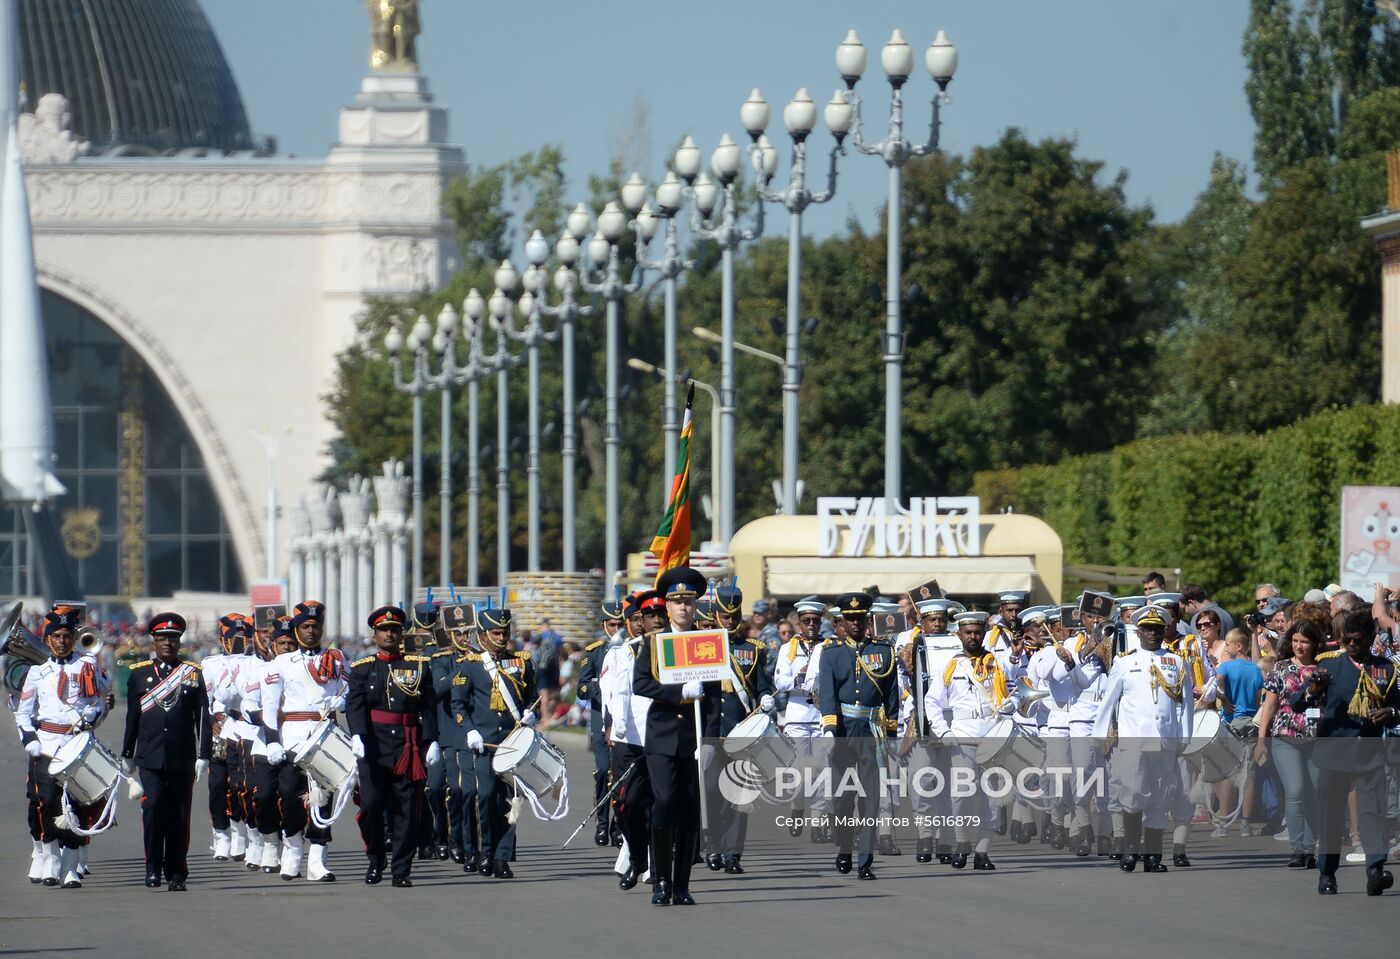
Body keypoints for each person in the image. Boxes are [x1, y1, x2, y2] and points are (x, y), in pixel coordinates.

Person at [631, 567, 722, 906]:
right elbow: (640, 684)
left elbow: (715, 698)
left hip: (694, 739)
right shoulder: (654, 643)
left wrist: (711, 742)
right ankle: (660, 880)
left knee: (689, 812)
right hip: (663, 736)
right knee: (665, 802)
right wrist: (680, 692)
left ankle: (682, 884)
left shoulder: (707, 641)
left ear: (695, 606)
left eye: (688, 602)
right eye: (676, 602)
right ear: (667, 607)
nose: (683, 608)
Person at [1300, 609, 1400, 895]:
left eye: (1358, 640)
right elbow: (1297, 702)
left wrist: (1391, 712)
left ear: (1371, 639)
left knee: (1373, 812)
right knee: (1330, 815)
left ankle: (1376, 870)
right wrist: (1312, 691)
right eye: (1347, 640)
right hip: (1333, 753)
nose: (1351, 645)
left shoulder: (1386, 669)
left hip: (1369, 753)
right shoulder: (1328, 665)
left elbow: (1398, 707)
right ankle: (1327, 873)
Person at [1092, 605, 1194, 873]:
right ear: (1138, 632)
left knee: (1159, 798)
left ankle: (1153, 857)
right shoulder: (1125, 663)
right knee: (1134, 794)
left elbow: (1186, 705)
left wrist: (1185, 737)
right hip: (1134, 740)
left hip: (1165, 739)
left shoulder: (1176, 662)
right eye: (1148, 629)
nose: (1153, 634)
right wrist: (1098, 736)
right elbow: (1108, 703)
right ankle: (1131, 849)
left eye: (1158, 630)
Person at [347, 605, 440, 888]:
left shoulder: (418, 666)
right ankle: (376, 859)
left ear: (401, 634)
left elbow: (429, 707)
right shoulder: (363, 668)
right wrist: (357, 736)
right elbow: (356, 705)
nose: (389, 634)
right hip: (374, 746)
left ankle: (401, 868)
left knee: (407, 811)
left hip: (407, 746)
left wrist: (432, 740)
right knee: (372, 807)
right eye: (384, 630)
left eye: (394, 629)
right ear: (374, 635)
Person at [15, 607, 109, 888]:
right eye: (57, 636)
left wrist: (93, 714)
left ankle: (70, 867)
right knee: (45, 801)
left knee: (77, 806)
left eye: (67, 636)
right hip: (45, 744)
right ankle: (50, 854)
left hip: (77, 744)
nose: (63, 641)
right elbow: (23, 713)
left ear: (73, 637)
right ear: (48, 639)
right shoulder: (37, 672)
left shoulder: (87, 665)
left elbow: (100, 700)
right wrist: (30, 739)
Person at [926, 609, 1025, 870]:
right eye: (968, 632)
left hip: (993, 737)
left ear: (983, 634)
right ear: (959, 634)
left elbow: (1015, 691)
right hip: (963, 737)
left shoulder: (996, 663)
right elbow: (932, 701)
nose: (973, 636)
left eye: (977, 632)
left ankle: (982, 851)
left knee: (992, 799)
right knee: (961, 795)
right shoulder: (950, 667)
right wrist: (943, 731)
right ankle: (961, 842)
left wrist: (1011, 705)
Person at [120, 613, 212, 891]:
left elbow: (203, 717)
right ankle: (152, 868)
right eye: (162, 639)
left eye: (173, 639)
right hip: (149, 756)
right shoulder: (139, 673)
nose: (168, 644)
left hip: (182, 757)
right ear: (154, 641)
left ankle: (177, 872)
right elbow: (133, 716)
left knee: (179, 815)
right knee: (153, 808)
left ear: (179, 641)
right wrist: (127, 752)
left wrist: (203, 754)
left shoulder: (192, 673)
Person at [259, 600, 346, 882]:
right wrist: (272, 740)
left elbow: (349, 690)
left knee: (324, 797)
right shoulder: (281, 663)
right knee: (290, 794)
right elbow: (270, 707)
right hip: (294, 736)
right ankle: (293, 848)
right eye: (305, 626)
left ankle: (318, 859)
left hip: (325, 734)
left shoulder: (336, 657)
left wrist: (342, 698)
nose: (311, 631)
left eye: (315, 626)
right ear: (296, 629)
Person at [450, 607, 538, 878]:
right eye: (496, 633)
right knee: (486, 798)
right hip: (485, 743)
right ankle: (484, 852)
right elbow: (458, 702)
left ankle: (501, 858)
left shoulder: (521, 661)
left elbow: (532, 695)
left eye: (505, 632)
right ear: (482, 635)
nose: (502, 637)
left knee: (511, 802)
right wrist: (470, 731)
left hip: (513, 742)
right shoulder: (471, 664)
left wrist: (531, 714)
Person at [818, 592, 898, 880]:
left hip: (871, 731)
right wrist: (829, 727)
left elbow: (891, 695)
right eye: (850, 619)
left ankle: (865, 860)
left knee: (870, 798)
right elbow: (827, 693)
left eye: (860, 619)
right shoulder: (831, 653)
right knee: (843, 796)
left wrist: (891, 733)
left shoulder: (883, 651)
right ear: (842, 621)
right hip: (842, 730)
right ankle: (843, 847)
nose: (855, 624)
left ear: (867, 620)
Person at [707, 583, 774, 874]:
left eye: (733, 617)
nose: (729, 621)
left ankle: (733, 854)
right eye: (725, 616)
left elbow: (760, 686)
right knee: (711, 792)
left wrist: (766, 697)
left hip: (741, 731)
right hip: (711, 730)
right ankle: (713, 846)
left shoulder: (753, 649)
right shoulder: (702, 646)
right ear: (717, 615)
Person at [896, 596, 963, 863]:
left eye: (941, 619)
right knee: (921, 780)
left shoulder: (956, 643)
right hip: (920, 719)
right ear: (921, 622)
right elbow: (900, 684)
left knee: (947, 784)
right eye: (931, 619)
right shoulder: (910, 644)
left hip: (949, 720)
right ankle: (925, 834)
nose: (937, 624)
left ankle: (945, 839)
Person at [1253, 620, 1323, 868]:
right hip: (1285, 737)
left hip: (1317, 739)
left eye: (1304, 641)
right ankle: (1298, 848)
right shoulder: (1280, 668)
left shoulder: (1324, 669)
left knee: (1314, 793)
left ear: (1314, 643)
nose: (1298, 646)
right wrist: (1261, 740)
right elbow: (1269, 705)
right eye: (1295, 641)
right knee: (1294, 792)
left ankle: (1310, 847)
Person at [599, 591, 654, 890]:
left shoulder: (660, 648)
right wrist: (613, 725)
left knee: (658, 803)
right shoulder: (617, 653)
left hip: (657, 735)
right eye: (634, 620)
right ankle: (635, 854)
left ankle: (650, 864)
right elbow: (609, 694)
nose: (640, 625)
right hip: (627, 738)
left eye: (642, 619)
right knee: (626, 803)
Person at [774, 595, 832, 842]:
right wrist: (802, 678)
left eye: (815, 620)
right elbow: (780, 681)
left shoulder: (828, 646)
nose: (811, 624)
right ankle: (797, 807)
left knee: (822, 770)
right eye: (806, 620)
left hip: (820, 716)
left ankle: (818, 822)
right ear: (799, 622)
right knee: (799, 772)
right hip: (798, 716)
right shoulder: (789, 649)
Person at [242, 615, 295, 875]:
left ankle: (290, 843)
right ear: (272, 645)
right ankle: (270, 841)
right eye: (282, 643)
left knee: (292, 797)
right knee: (262, 797)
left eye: (291, 644)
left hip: (296, 742)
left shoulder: (303, 669)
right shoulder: (262, 671)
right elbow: (247, 705)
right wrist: (262, 715)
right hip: (265, 742)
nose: (286, 648)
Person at [432, 603, 478, 868]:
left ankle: (473, 844)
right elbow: (438, 689)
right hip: (451, 732)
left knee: (474, 792)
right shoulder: (441, 659)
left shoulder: (478, 656)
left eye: (467, 633)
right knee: (455, 790)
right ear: (449, 635)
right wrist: (462, 668)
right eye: (459, 634)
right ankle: (452, 838)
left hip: (476, 731)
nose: (464, 638)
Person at [201, 614, 249, 863]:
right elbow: (203, 702)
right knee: (217, 786)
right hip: (221, 728)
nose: (239, 642)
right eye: (233, 638)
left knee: (241, 786)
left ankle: (240, 832)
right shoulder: (210, 664)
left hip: (246, 728)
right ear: (223, 639)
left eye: (244, 637)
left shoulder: (254, 663)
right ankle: (221, 835)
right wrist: (211, 723)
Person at [578, 599, 625, 847]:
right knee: (602, 771)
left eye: (620, 624)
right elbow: (582, 688)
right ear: (604, 624)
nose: (615, 629)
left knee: (620, 774)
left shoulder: (630, 648)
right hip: (600, 721)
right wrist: (601, 689)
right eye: (611, 624)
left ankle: (618, 826)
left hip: (622, 722)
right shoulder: (595, 651)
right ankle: (602, 823)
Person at [1214, 628, 1263, 836]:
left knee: (1226, 771)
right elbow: (1260, 695)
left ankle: (1223, 823)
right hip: (1251, 723)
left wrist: (1224, 699)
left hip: (1231, 721)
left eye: (1228, 644)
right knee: (1248, 773)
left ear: (1239, 646)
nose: (1226, 647)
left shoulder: (1226, 667)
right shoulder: (1256, 669)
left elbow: (1213, 684)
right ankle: (1246, 823)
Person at [535, 617, 563, 729]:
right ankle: (551, 717)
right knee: (553, 694)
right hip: (554, 668)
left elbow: (535, 652)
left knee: (544, 694)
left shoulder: (539, 637)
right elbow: (561, 654)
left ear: (542, 625)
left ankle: (545, 718)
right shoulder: (557, 637)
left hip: (542, 668)